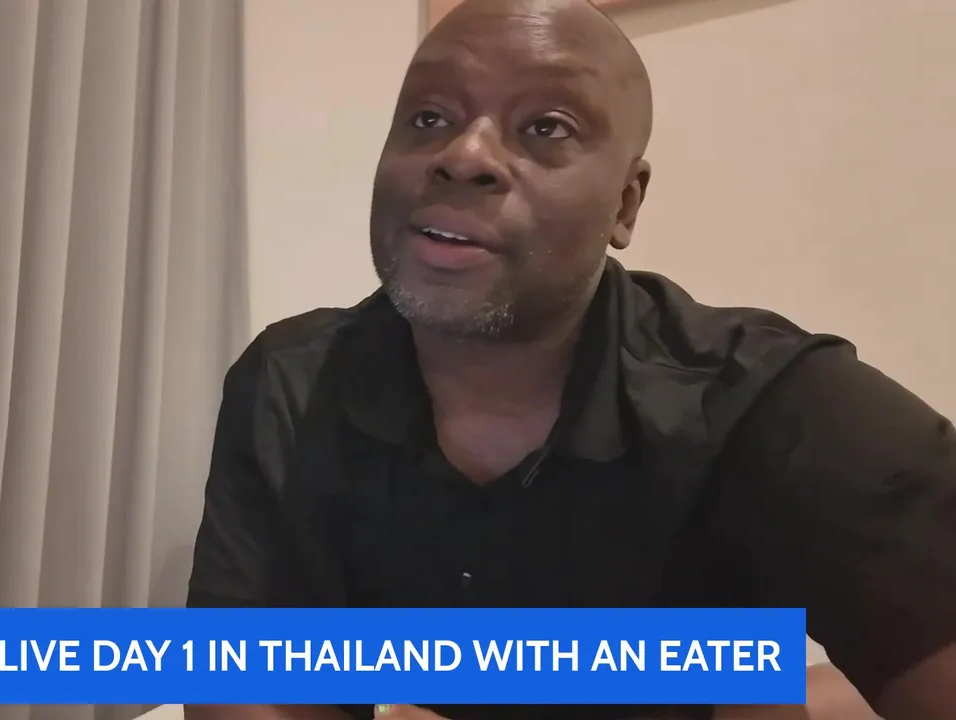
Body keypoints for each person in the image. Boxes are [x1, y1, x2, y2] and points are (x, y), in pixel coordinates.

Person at [184, 0, 956, 718]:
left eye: (547, 127)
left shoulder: (779, 408)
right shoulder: (291, 386)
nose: (464, 155)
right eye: (428, 117)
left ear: (625, 203)